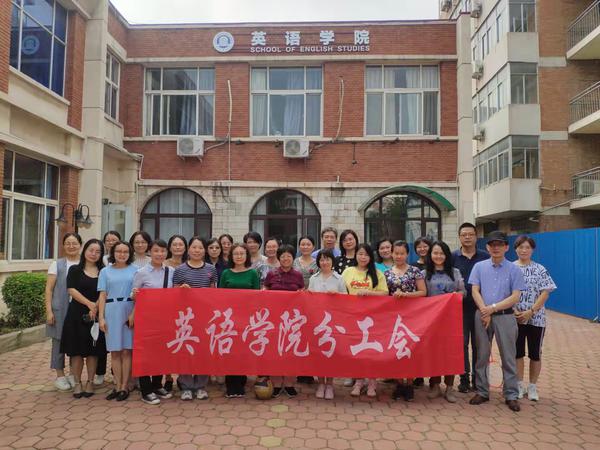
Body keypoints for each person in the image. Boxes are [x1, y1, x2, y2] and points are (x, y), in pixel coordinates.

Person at [469, 231, 526, 412]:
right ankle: (482, 391)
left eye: (499, 244)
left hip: (505, 317)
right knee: (481, 355)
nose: (495, 247)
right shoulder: (479, 267)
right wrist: (484, 310)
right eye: (492, 244)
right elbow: (475, 290)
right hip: (482, 316)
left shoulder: (515, 270)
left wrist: (491, 309)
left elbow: (515, 297)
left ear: (506, 247)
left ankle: (511, 394)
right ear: (487, 247)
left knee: (508, 356)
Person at [130, 239, 176, 405]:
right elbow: (133, 295)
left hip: (164, 319)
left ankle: (157, 385)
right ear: (150, 252)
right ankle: (146, 390)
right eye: (156, 251)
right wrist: (135, 294)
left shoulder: (171, 271)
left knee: (161, 353)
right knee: (145, 354)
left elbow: (174, 294)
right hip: (146, 319)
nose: (159, 254)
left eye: (163, 251)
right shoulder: (141, 272)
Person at [60, 239, 106, 399]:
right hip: (76, 314)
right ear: (85, 250)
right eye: (91, 250)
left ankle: (90, 382)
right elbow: (71, 290)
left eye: (98, 251)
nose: (94, 254)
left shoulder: (104, 271)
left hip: (96, 315)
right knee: (76, 352)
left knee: (93, 351)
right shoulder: (75, 269)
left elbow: (104, 292)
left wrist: (96, 307)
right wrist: (89, 304)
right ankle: (78, 383)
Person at [173, 237, 217, 401]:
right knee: (185, 350)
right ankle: (186, 385)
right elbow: (173, 293)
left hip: (205, 317)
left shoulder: (211, 269)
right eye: (194, 247)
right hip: (185, 318)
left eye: (200, 248)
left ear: (204, 250)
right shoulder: (180, 270)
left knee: (203, 351)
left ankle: (200, 386)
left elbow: (214, 293)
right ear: (188, 249)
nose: (197, 250)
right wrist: (181, 290)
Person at [513, 235, 556, 402]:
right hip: (516, 318)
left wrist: (531, 311)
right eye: (521, 247)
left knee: (535, 354)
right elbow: (506, 291)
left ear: (532, 250)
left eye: (527, 247)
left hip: (536, 318)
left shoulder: (540, 269)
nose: (524, 250)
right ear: (515, 249)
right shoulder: (510, 268)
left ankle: (532, 387)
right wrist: (514, 310)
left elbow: (546, 292)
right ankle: (518, 385)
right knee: (517, 353)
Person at [342, 243, 388, 398]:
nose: (363, 257)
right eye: (360, 254)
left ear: (371, 257)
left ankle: (372, 382)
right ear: (356, 255)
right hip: (353, 317)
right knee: (357, 350)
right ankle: (359, 381)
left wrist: (369, 293)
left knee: (371, 351)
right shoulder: (348, 272)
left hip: (372, 318)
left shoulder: (377, 273)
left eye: (366, 255)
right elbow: (342, 291)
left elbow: (385, 293)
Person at [422, 241, 466, 403]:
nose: (438, 256)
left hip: (450, 320)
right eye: (435, 253)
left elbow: (463, 292)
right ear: (430, 255)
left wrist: (456, 295)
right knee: (433, 352)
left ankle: (449, 387)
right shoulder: (424, 273)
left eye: (442, 253)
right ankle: (434, 385)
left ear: (446, 255)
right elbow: (421, 294)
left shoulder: (455, 272)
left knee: (450, 352)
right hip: (431, 320)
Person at [384, 240, 427, 401]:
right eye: (396, 253)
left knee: (410, 349)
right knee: (395, 348)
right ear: (392, 254)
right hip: (392, 317)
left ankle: (409, 384)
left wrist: (406, 295)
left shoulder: (415, 271)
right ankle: (398, 384)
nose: (399, 256)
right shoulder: (387, 273)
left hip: (412, 316)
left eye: (402, 253)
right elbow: (384, 294)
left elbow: (423, 292)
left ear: (407, 254)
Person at [98, 241, 139, 402]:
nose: (122, 254)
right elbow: (102, 295)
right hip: (111, 311)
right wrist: (101, 317)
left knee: (127, 350)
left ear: (130, 254)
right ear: (113, 253)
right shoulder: (105, 271)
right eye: (118, 251)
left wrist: (133, 314)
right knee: (115, 351)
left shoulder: (136, 270)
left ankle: (125, 386)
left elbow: (139, 295)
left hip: (129, 309)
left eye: (125, 252)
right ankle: (117, 385)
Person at [218, 243, 261, 397]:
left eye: (242, 253)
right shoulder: (226, 273)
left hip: (246, 318)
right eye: (235, 254)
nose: (239, 256)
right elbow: (219, 296)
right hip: (229, 318)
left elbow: (257, 296)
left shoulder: (253, 273)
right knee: (230, 350)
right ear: (231, 256)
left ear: (247, 256)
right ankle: (230, 384)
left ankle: (241, 382)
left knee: (242, 350)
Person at [264, 244, 305, 398]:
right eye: (283, 256)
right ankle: (275, 383)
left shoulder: (298, 275)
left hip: (293, 320)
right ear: (278, 258)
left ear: (293, 258)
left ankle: (289, 383)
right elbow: (265, 290)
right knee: (274, 351)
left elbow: (302, 293)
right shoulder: (271, 274)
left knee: (291, 351)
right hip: (274, 318)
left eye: (289, 256)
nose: (286, 259)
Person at [451, 222, 489, 393]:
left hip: (481, 307)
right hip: (459, 308)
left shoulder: (485, 257)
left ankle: (478, 379)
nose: (467, 237)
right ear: (459, 237)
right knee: (462, 344)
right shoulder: (453, 257)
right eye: (464, 234)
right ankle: (464, 379)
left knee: (479, 345)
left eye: (470, 234)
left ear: (476, 237)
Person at [308, 249, 347, 400]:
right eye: (322, 259)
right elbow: (309, 298)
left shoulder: (339, 278)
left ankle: (330, 384)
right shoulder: (314, 278)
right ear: (318, 262)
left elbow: (347, 297)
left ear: (332, 261)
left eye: (327, 259)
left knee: (331, 353)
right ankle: (321, 383)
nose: (324, 262)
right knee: (319, 353)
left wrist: (337, 295)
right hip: (317, 321)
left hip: (334, 321)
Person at [45, 233, 82, 391]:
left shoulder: (84, 263)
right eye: (68, 243)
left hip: (78, 309)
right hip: (60, 308)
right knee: (58, 341)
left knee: (76, 342)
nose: (71, 246)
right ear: (63, 245)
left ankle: (73, 374)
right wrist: (49, 311)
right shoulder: (57, 264)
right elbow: (49, 289)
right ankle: (60, 375)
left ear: (80, 245)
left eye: (74, 243)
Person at [96, 231, 122, 384]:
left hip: (119, 305)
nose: (111, 242)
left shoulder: (124, 260)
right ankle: (100, 372)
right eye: (108, 240)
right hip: (104, 302)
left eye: (114, 240)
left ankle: (116, 374)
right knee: (103, 341)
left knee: (120, 344)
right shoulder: (101, 260)